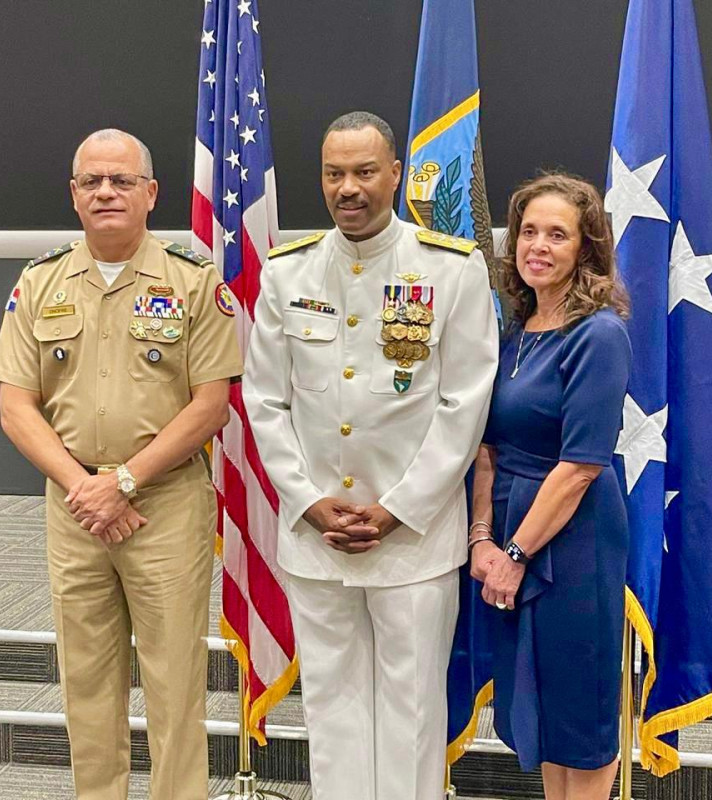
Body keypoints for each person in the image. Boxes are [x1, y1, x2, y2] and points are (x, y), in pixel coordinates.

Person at [242, 111, 499, 800]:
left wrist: (398, 508)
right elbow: (265, 401)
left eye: (362, 172)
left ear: (394, 174)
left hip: (412, 539)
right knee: (331, 706)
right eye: (333, 173)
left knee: (413, 710)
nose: (347, 188)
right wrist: (305, 499)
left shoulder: (452, 267)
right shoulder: (288, 270)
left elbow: (464, 406)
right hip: (316, 536)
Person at [0, 128, 243, 800]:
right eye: (92, 182)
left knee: (174, 684)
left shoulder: (193, 283)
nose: (106, 192)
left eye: (121, 181)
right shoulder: (39, 283)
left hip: (165, 506)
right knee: (86, 683)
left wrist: (124, 482)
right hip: (77, 513)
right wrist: (87, 488)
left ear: (151, 194)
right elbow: (16, 408)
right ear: (73, 195)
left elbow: (210, 406)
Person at [469, 173, 631, 800]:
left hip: (573, 535)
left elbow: (581, 466)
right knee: (540, 703)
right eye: (528, 232)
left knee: (580, 710)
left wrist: (515, 555)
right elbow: (487, 448)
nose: (537, 245)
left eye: (557, 235)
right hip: (510, 525)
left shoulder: (598, 334)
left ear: (586, 248)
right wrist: (484, 537)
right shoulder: (514, 331)